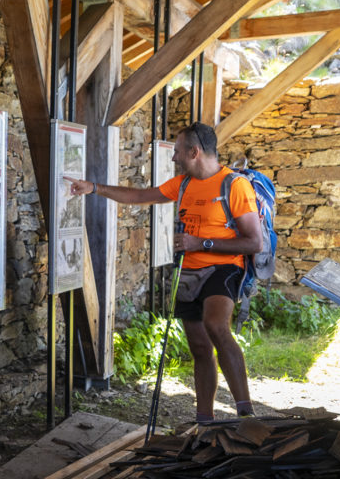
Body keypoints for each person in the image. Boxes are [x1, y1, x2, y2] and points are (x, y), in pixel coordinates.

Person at [65, 122, 264, 422]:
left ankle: (246, 413)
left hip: (224, 268)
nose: (174, 158)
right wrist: (94, 188)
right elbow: (139, 196)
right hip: (187, 272)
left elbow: (254, 241)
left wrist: (202, 242)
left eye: (178, 152)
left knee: (216, 326)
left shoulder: (234, 186)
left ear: (194, 152)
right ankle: (204, 420)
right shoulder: (183, 184)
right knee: (199, 346)